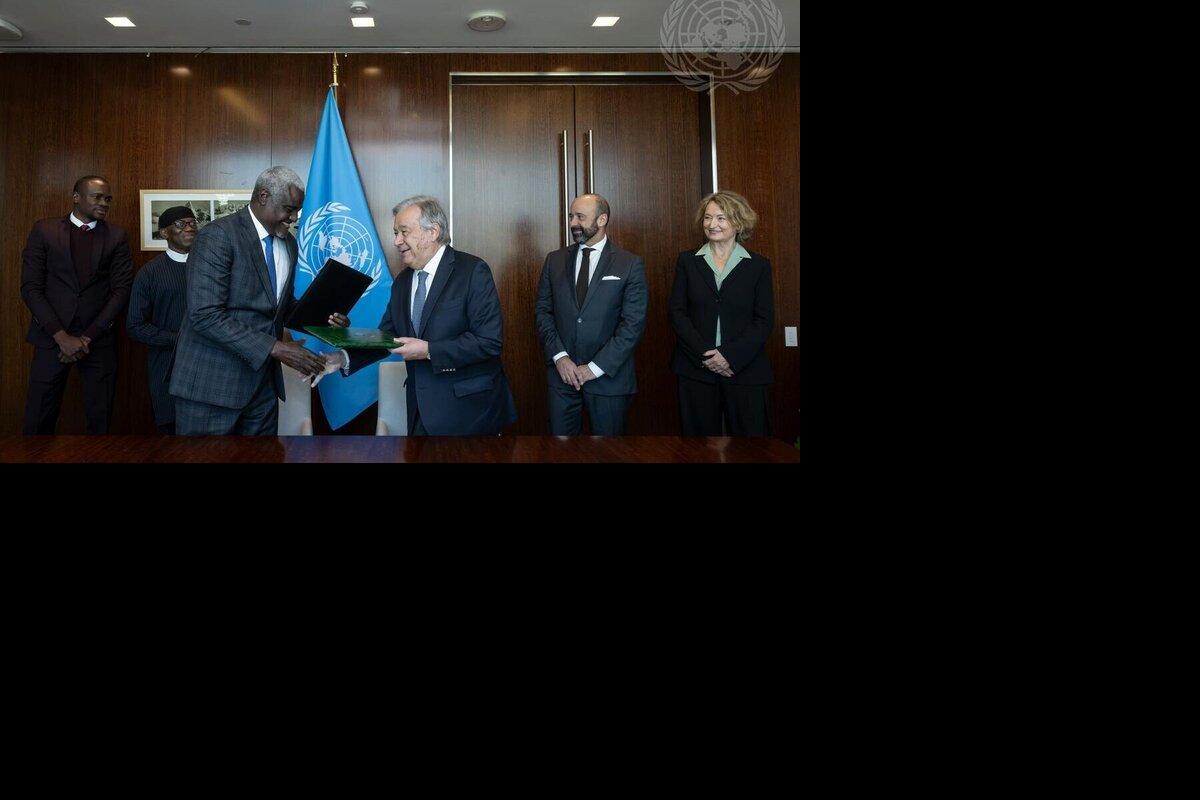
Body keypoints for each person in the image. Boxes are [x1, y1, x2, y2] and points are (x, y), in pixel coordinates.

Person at [168, 166, 348, 435]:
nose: (294, 218)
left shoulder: (288, 243)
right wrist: (277, 348)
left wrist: (325, 319)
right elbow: (205, 315)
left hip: (263, 390)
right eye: (289, 209)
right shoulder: (218, 235)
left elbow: (279, 307)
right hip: (211, 389)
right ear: (263, 196)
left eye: (297, 211)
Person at [333, 195, 516, 436]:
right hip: (420, 413)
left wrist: (429, 350)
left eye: (404, 232)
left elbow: (489, 341)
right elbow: (387, 337)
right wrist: (341, 358)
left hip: (471, 414)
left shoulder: (472, 271)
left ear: (433, 232)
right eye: (395, 233)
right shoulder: (402, 282)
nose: (397, 241)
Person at [20, 175, 133, 434]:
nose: (104, 203)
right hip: (51, 338)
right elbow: (31, 287)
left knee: (100, 421)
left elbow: (121, 290)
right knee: (37, 420)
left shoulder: (117, 236)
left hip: (97, 340)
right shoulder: (44, 230)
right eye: (97, 197)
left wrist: (86, 338)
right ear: (76, 197)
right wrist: (61, 337)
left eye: (108, 199)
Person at [534, 194, 647, 435]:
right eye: (571, 216)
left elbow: (632, 325)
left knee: (608, 452)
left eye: (580, 217)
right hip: (562, 380)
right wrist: (560, 357)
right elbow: (543, 312)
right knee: (560, 451)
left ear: (602, 219)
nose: (573, 223)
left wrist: (594, 368)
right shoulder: (554, 260)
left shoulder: (629, 263)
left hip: (609, 381)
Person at [668, 191, 774, 436]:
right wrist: (707, 356)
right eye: (707, 218)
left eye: (721, 218)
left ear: (738, 222)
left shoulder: (758, 265)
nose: (712, 224)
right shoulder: (687, 261)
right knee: (697, 448)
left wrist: (728, 356)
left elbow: (763, 320)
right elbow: (677, 313)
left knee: (751, 448)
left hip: (745, 370)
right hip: (696, 369)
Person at [126, 206, 196, 434]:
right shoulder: (149, 273)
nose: (189, 228)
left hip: (210, 368)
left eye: (192, 223)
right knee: (174, 438)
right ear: (165, 233)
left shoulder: (212, 267)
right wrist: (179, 339)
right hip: (168, 368)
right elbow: (135, 326)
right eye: (181, 224)